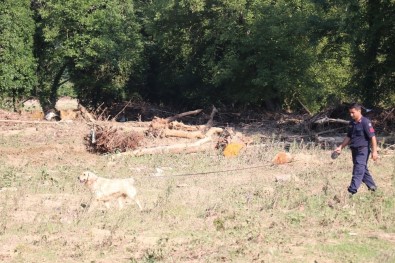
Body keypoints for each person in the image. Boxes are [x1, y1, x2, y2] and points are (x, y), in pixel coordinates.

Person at [334, 103, 378, 195]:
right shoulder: (352, 123)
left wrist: (374, 151)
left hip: (363, 150)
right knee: (363, 169)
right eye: (350, 113)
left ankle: (352, 191)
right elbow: (348, 137)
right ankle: (373, 187)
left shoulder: (366, 122)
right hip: (354, 150)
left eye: (353, 112)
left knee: (358, 169)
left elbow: (372, 137)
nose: (351, 115)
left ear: (359, 111)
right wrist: (340, 147)